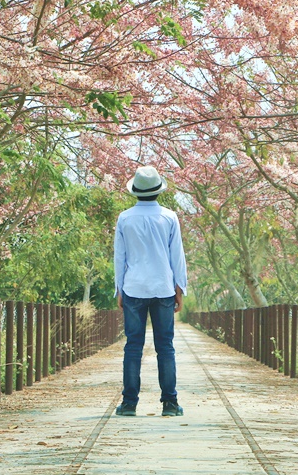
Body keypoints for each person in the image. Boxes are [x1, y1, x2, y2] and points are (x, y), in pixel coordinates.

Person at [113, 165, 187, 417]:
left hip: (133, 287)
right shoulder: (169, 217)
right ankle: (170, 404)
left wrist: (119, 289)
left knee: (133, 346)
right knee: (165, 346)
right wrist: (180, 288)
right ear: (158, 191)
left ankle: (129, 404)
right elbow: (177, 256)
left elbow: (119, 257)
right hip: (163, 287)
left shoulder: (125, 218)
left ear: (136, 192)